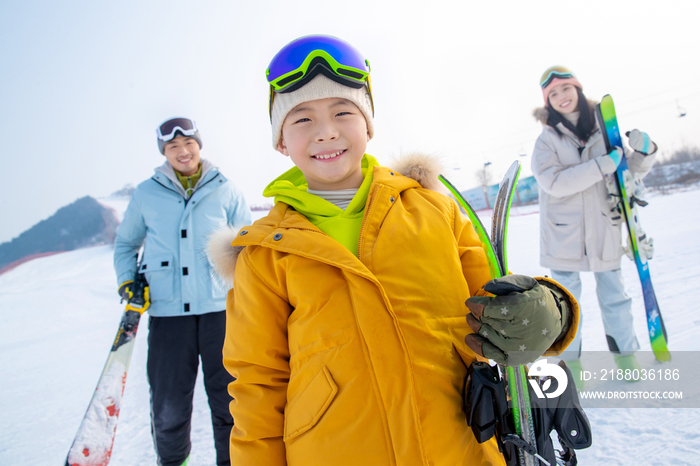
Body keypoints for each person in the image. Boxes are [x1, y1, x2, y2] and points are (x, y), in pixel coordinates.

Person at [208, 35, 579, 465]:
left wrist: (550, 310)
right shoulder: (264, 256)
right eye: (302, 119)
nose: (326, 131)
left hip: (461, 449)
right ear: (281, 142)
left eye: (343, 112)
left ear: (368, 124)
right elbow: (258, 385)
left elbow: (502, 305)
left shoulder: (434, 211)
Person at [113, 117, 251, 466]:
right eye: (173, 147)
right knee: (169, 407)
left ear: (199, 146)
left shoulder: (225, 189)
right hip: (168, 316)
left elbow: (250, 246)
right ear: (165, 153)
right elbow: (126, 243)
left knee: (230, 403)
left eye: (188, 143)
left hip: (220, 312)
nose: (182, 151)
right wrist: (128, 280)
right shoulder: (146, 193)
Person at [531, 66, 658, 388]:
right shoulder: (546, 139)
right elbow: (554, 183)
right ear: (547, 101)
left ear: (578, 89)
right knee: (565, 306)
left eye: (566, 89)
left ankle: (626, 357)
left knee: (616, 297)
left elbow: (629, 171)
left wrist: (646, 152)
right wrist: (602, 165)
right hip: (564, 234)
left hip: (605, 228)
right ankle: (571, 368)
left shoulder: (604, 131)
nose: (561, 97)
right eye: (553, 94)